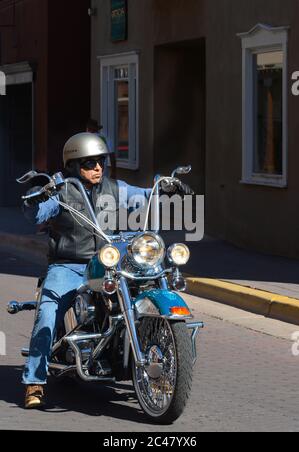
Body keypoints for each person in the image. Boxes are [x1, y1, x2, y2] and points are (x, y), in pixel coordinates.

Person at [22, 132, 193, 409]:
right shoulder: (61, 190)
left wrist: (165, 189)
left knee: (148, 278)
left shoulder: (114, 188)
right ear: (74, 165)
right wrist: (34, 197)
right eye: (89, 163)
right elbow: (37, 214)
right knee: (48, 312)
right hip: (70, 264)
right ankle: (34, 380)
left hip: (107, 261)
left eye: (100, 161)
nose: (97, 168)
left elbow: (144, 196)